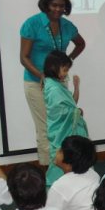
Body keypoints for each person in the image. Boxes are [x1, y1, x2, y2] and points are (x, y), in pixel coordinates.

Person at [20, 0, 85, 167]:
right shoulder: (32, 24)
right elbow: (23, 58)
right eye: (54, 5)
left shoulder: (67, 26)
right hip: (36, 83)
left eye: (61, 6)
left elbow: (81, 44)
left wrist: (67, 61)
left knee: (62, 125)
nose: (57, 9)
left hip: (59, 83)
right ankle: (48, 170)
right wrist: (42, 75)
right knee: (45, 128)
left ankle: (62, 168)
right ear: (46, 4)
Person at [43, 51, 89, 187]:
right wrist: (77, 112)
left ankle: (72, 184)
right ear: (53, 67)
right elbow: (60, 112)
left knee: (73, 155)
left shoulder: (57, 85)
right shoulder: (53, 89)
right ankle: (56, 185)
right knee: (62, 156)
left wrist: (76, 87)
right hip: (60, 131)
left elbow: (72, 103)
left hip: (66, 129)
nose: (66, 73)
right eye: (64, 70)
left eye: (67, 70)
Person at [46, 135, 100, 210]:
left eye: (61, 150)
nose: (57, 151)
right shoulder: (94, 174)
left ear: (69, 162)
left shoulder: (59, 186)